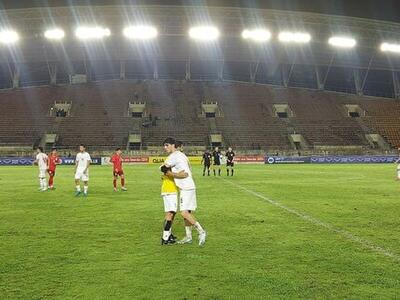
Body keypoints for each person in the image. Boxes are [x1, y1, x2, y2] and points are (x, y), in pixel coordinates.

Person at [162, 137, 207, 246]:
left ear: (173, 145)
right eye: (164, 145)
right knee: (186, 212)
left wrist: (175, 174)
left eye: (167, 145)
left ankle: (201, 231)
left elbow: (163, 169)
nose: (165, 147)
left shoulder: (173, 156)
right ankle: (188, 236)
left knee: (184, 212)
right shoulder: (182, 156)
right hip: (189, 186)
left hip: (186, 187)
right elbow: (188, 170)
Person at [159, 165, 187, 245]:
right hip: (170, 192)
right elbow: (163, 168)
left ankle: (168, 234)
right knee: (170, 214)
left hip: (168, 192)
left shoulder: (169, 172)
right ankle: (165, 238)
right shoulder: (168, 171)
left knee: (171, 214)